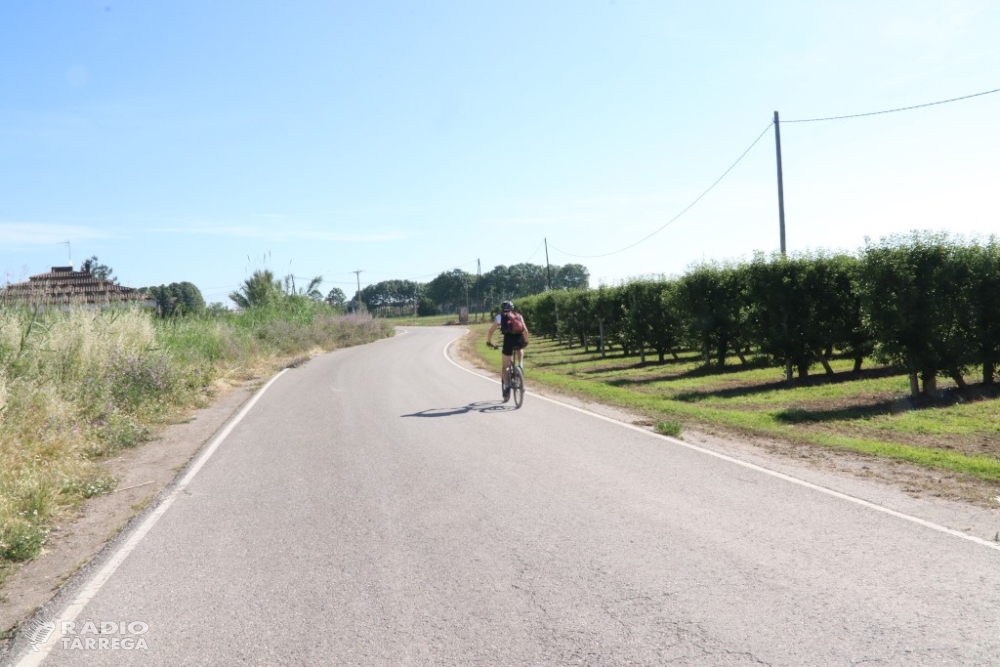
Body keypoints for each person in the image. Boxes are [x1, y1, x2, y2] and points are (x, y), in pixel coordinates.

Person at [486, 301, 530, 402]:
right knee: (520, 348)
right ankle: (521, 365)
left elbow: (491, 331)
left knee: (505, 366)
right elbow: (525, 331)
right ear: (512, 308)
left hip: (508, 340)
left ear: (502, 308)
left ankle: (506, 387)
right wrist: (526, 341)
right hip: (519, 339)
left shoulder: (499, 317)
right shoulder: (518, 315)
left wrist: (489, 342)